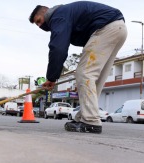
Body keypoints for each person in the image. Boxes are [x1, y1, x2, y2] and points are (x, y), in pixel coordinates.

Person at [29, 1, 127, 133]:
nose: (40, 26)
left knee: (84, 73)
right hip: (118, 28)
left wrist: (52, 77)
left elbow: (58, 48)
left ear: (46, 12)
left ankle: (90, 121)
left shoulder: (58, 16)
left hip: (106, 28)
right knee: (96, 78)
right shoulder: (67, 13)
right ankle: (84, 116)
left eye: (39, 21)